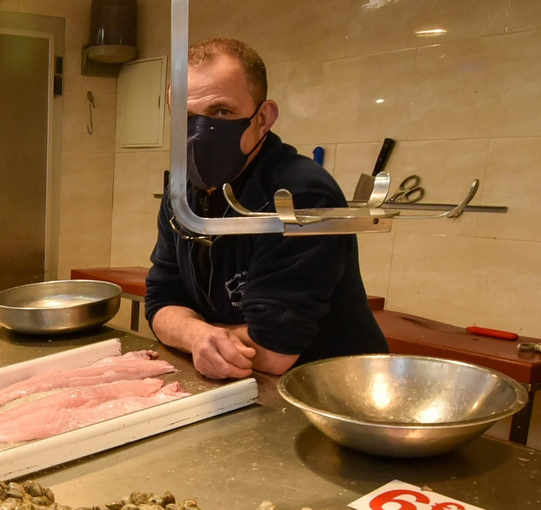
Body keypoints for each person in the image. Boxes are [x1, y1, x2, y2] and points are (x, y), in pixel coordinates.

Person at [146, 38, 387, 380]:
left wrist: (192, 330)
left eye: (221, 112)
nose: (199, 134)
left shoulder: (302, 194)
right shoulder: (180, 193)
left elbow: (273, 350)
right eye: (185, 117)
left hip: (331, 387)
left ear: (263, 118)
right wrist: (196, 334)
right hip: (246, 383)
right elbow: (160, 302)